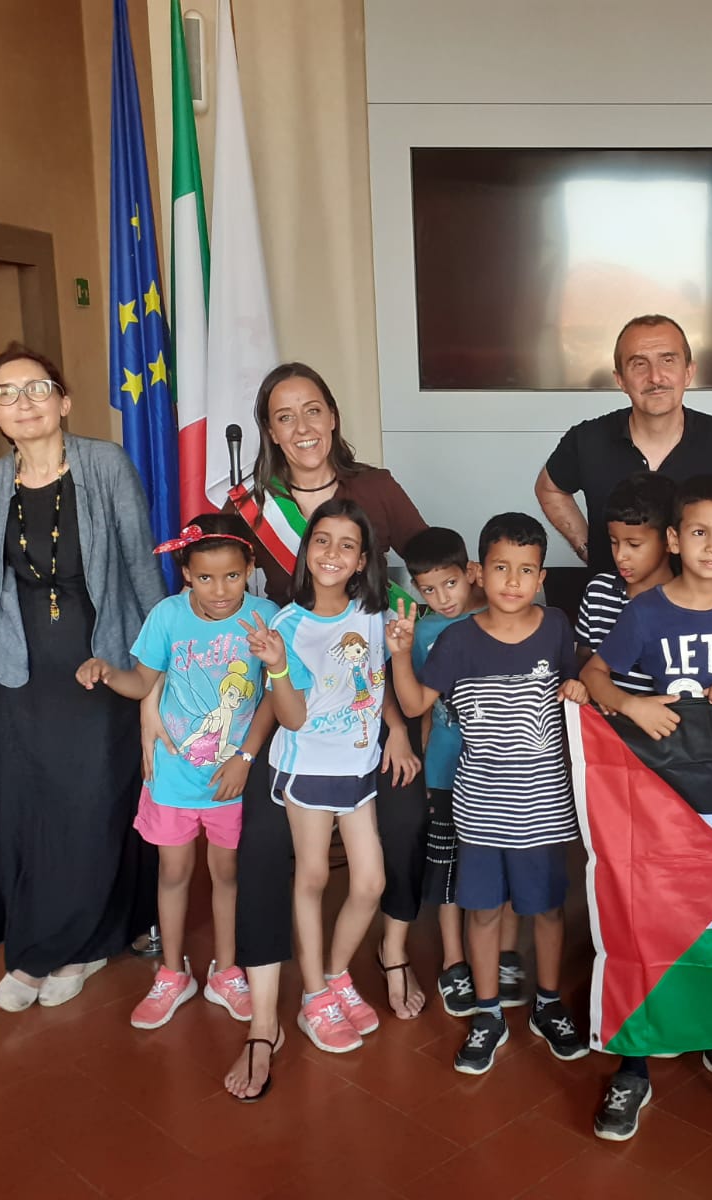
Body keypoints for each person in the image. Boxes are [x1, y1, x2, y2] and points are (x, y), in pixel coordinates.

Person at [219, 363, 429, 1100]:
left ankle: (374, 961)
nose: (302, 426)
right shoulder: (249, 508)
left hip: (365, 737)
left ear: (334, 417)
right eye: (284, 415)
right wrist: (248, 741)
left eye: (314, 410)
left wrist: (399, 725)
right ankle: (286, 1000)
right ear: (269, 430)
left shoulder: (374, 493)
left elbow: (423, 575)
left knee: (396, 835)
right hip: (293, 733)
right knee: (279, 856)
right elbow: (221, 600)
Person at [582, 474, 712, 1141]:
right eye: (700, 532)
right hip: (653, 796)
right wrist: (633, 705)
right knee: (645, 926)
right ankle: (634, 1063)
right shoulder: (646, 611)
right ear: (674, 538)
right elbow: (591, 674)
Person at [0, 343, 165, 1013]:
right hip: (20, 674)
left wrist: (152, 667)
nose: (22, 403)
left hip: (99, 663)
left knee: (91, 804)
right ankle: (32, 949)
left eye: (36, 388)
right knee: (31, 811)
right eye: (5, 393)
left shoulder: (104, 465)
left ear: (64, 400)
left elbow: (140, 566)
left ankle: (81, 945)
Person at [387, 513, 593, 1075]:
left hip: (547, 810)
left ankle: (548, 1004)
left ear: (541, 576)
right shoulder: (455, 640)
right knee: (481, 912)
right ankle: (487, 1013)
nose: (512, 581)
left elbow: (579, 683)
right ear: (480, 571)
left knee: (548, 911)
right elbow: (412, 707)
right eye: (501, 567)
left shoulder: (556, 627)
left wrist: (578, 685)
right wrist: (402, 653)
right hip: (477, 809)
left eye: (525, 570)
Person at [74, 515, 280, 1031]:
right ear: (186, 573)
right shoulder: (166, 617)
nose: (220, 590)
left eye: (232, 576)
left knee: (227, 875)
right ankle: (172, 973)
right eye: (205, 577)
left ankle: (227, 971)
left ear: (250, 568)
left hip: (232, 779)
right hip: (172, 778)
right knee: (173, 872)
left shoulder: (266, 617)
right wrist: (107, 671)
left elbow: (276, 695)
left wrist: (244, 759)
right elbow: (143, 680)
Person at [242, 499, 416, 1058]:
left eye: (347, 544)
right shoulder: (286, 624)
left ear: (363, 557)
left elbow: (375, 682)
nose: (332, 553)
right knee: (313, 875)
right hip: (307, 771)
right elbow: (290, 717)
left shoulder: (375, 613)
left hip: (359, 771)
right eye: (322, 540)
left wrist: (395, 728)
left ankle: (337, 974)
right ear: (306, 549)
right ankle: (313, 994)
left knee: (369, 883)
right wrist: (275, 665)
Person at [536, 314, 712, 594]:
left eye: (668, 360)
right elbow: (549, 489)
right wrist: (591, 549)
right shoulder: (587, 440)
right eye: (639, 364)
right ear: (620, 379)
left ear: (689, 372)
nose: (655, 377)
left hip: (702, 615)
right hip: (614, 612)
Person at [401, 526, 521, 1016]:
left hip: (505, 772)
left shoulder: (501, 618)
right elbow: (419, 707)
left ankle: (507, 955)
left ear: (470, 572)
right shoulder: (422, 632)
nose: (441, 598)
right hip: (445, 771)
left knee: (506, 862)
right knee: (447, 866)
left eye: (449, 584)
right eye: (427, 589)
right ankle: (454, 962)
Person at [574, 471, 677, 695]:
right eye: (614, 542)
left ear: (670, 540)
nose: (621, 555)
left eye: (634, 544)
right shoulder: (598, 593)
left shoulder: (686, 600)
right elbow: (583, 661)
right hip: (607, 722)